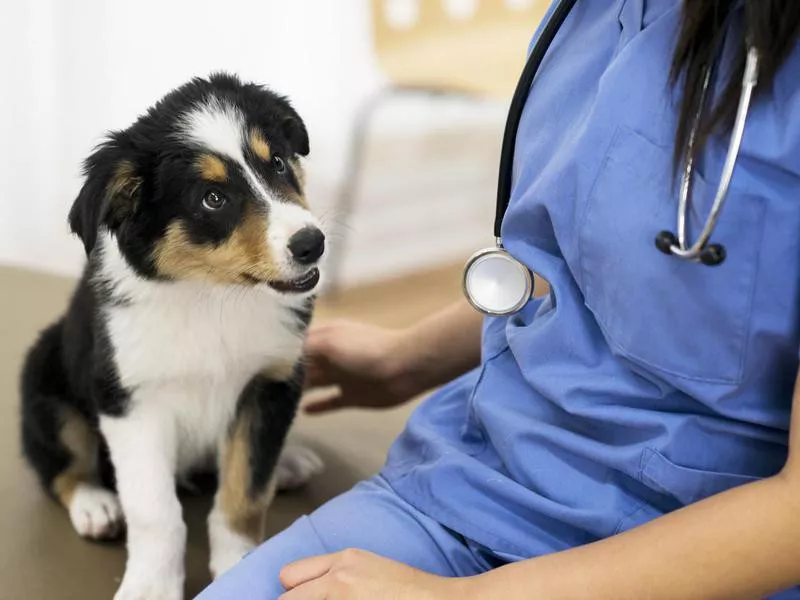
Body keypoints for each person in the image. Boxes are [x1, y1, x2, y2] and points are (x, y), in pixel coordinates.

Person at [199, 1, 800, 598]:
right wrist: (408, 358)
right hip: (474, 483)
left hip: (689, 553)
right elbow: (579, 264)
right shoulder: (596, 14)